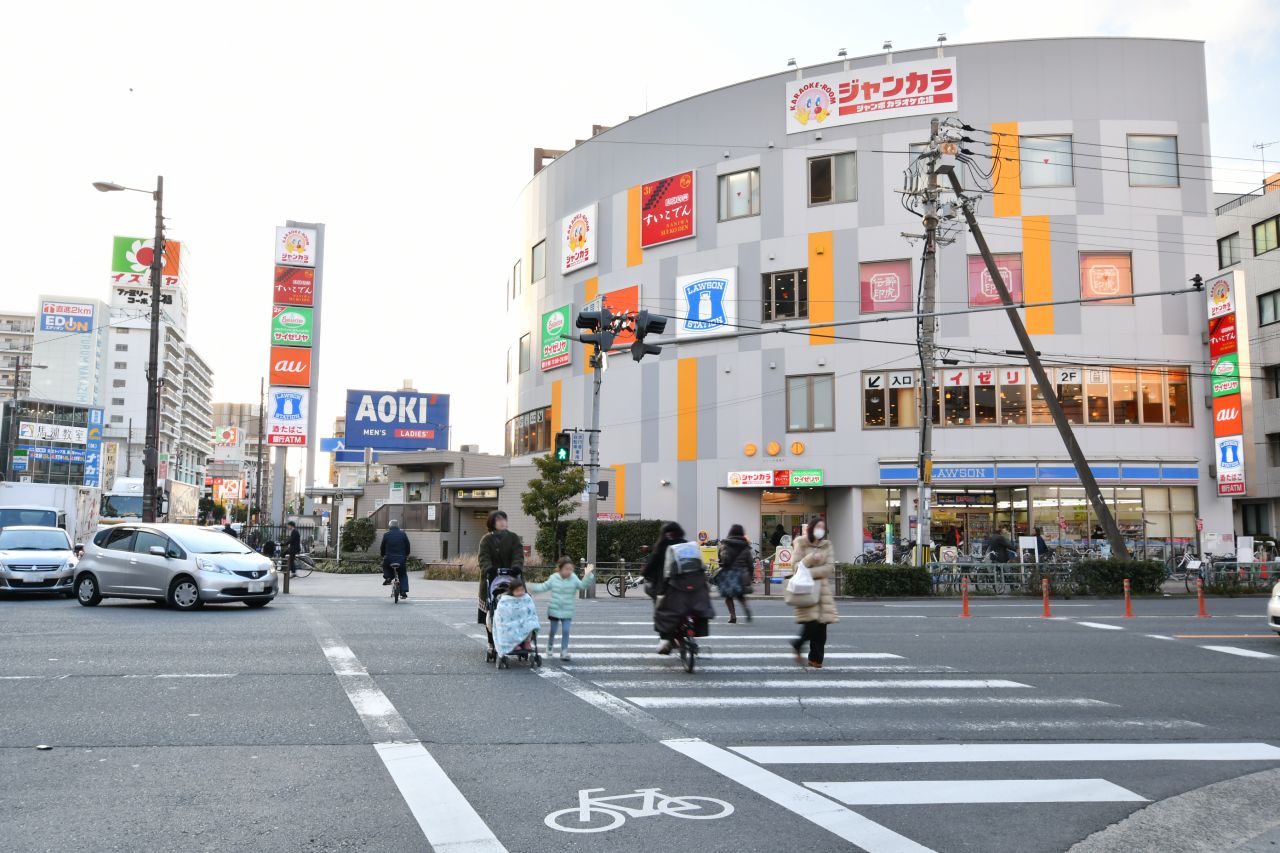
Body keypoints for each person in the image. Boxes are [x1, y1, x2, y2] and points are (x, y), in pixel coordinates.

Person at [788, 516, 838, 668]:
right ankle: (797, 644)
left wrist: (810, 572)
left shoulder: (827, 545)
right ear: (811, 528)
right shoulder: (801, 543)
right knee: (811, 623)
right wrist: (810, 558)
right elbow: (795, 567)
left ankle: (816, 659)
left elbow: (830, 568)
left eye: (823, 527)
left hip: (822, 590)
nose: (820, 530)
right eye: (818, 527)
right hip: (806, 589)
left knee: (822, 626)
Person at [477, 510, 525, 655]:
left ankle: (518, 640)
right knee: (491, 610)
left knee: (518, 610)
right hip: (492, 578)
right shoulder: (486, 539)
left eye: (504, 519)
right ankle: (491, 641)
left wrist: (517, 566)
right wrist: (488, 568)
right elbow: (483, 557)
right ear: (492, 523)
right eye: (499, 520)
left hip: (513, 578)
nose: (503, 522)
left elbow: (518, 554)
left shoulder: (513, 538)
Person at [529, 557, 595, 660]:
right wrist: (529, 587)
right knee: (553, 630)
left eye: (571, 569)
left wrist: (588, 575)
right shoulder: (554, 578)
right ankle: (549, 647)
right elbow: (543, 587)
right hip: (554, 610)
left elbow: (582, 586)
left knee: (566, 630)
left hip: (568, 610)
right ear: (560, 569)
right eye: (566, 569)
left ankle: (564, 651)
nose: (569, 571)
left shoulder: (573, 578)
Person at [715, 524, 753, 624]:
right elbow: (750, 563)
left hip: (729, 574)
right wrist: (750, 576)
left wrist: (721, 562)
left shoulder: (726, 544)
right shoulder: (746, 546)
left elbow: (724, 560)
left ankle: (733, 616)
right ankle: (746, 609)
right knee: (740, 595)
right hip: (742, 574)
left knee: (728, 596)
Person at [492, 579, 540, 655]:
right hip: (510, 621)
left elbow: (531, 608)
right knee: (511, 626)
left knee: (530, 624)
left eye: (522, 590)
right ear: (512, 591)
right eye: (517, 591)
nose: (520, 592)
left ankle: (527, 642)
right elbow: (502, 611)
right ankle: (514, 644)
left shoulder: (526, 598)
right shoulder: (506, 599)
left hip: (523, 620)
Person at [380, 518, 411, 598]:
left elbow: (382, 547)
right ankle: (403, 591)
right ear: (398, 526)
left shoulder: (386, 535)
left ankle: (388, 577)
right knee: (403, 574)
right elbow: (408, 545)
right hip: (401, 559)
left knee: (386, 566)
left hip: (389, 558)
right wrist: (407, 555)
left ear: (389, 526)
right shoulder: (403, 534)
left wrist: (383, 555)